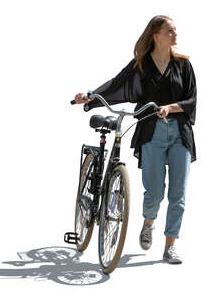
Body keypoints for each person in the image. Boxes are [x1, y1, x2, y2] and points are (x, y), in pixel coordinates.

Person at [74, 15, 197, 264]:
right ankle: (148, 222)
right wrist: (90, 96)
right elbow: (116, 84)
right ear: (156, 35)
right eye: (170, 31)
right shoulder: (142, 64)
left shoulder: (183, 65)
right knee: (153, 193)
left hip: (180, 134)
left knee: (178, 195)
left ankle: (170, 246)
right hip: (151, 132)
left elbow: (192, 101)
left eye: (175, 30)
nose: (175, 34)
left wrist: (169, 108)